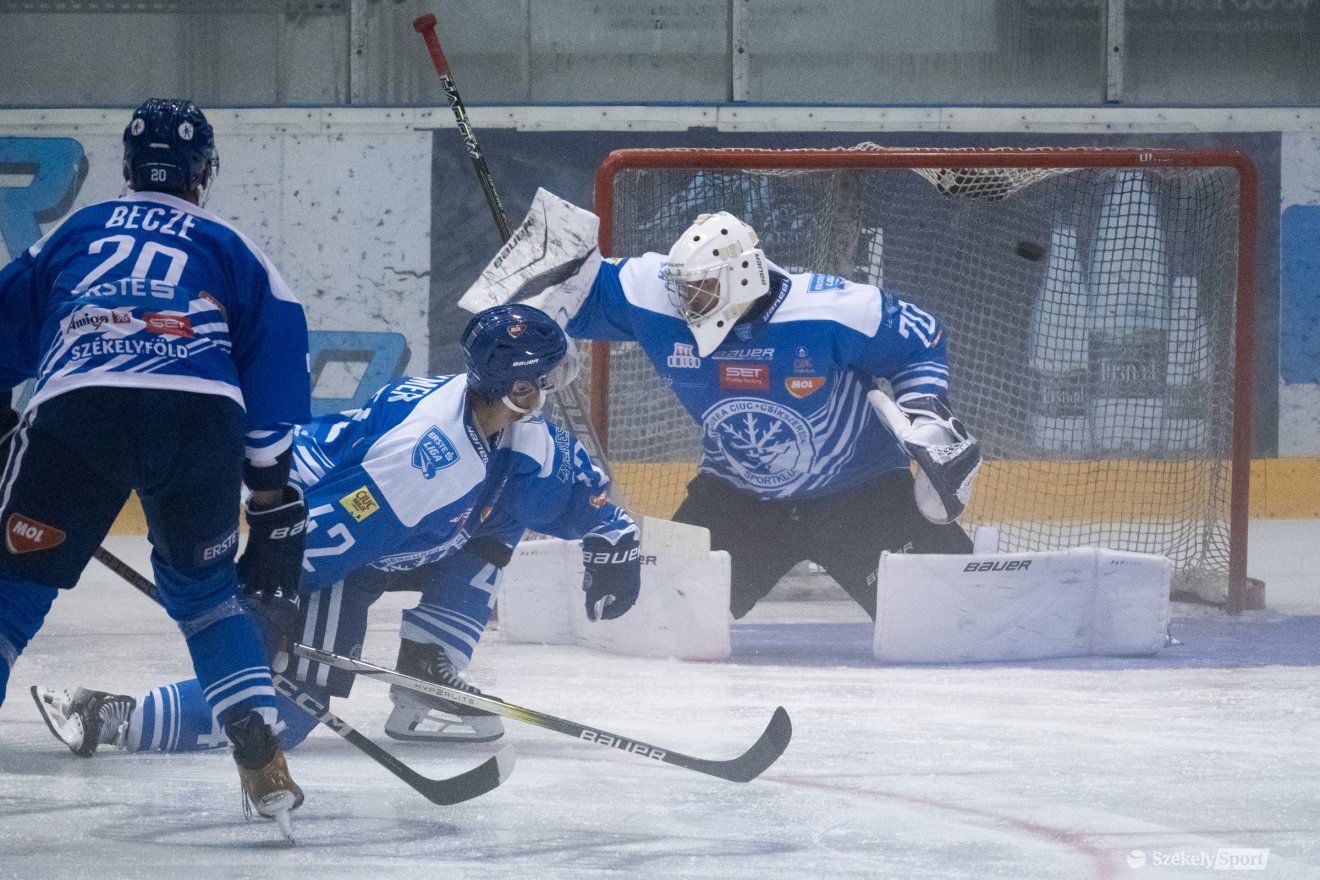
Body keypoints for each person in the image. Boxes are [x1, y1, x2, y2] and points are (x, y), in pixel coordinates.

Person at [33, 302, 641, 756]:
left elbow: (571, 486)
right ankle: (111, 715)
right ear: (512, 385)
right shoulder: (421, 462)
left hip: (398, 532)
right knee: (291, 711)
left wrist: (614, 535)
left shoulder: (514, 434)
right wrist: (260, 613)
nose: (552, 388)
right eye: (544, 378)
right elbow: (310, 545)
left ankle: (427, 669)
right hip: (318, 520)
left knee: (500, 517)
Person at [0, 99, 311, 834]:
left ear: (127, 169)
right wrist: (269, 493)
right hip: (201, 418)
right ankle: (263, 761)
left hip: (82, 410)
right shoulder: (231, 243)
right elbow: (273, 369)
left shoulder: (75, 231)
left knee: (10, 593)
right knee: (206, 599)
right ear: (203, 172)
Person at [561, 210, 980, 620]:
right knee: (653, 619)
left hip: (862, 496)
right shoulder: (655, 295)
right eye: (683, 287)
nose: (688, 301)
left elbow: (922, 340)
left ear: (744, 275)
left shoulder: (831, 308)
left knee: (956, 615)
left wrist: (925, 412)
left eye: (703, 288)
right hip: (738, 501)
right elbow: (566, 289)